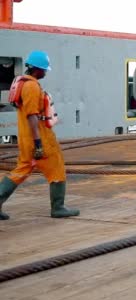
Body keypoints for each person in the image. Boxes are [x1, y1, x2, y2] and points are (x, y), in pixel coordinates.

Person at [0, 51, 79, 220]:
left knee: (21, 170)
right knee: (56, 169)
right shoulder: (32, 87)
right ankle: (58, 208)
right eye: (44, 70)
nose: (45, 72)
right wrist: (38, 144)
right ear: (37, 69)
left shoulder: (23, 83)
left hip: (25, 137)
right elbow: (32, 116)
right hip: (39, 138)